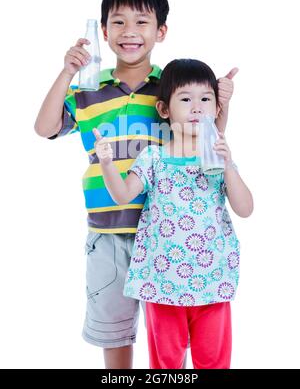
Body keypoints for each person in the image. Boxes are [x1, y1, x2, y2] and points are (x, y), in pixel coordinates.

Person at [34, 0, 237, 369]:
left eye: (142, 22)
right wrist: (66, 74)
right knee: (115, 332)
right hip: (109, 230)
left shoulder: (174, 89)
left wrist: (223, 107)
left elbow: (206, 147)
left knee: (172, 337)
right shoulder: (87, 92)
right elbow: (44, 128)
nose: (130, 32)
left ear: (161, 31)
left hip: (170, 235)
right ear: (105, 31)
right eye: (119, 22)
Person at [93, 58, 253, 369]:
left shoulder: (217, 157)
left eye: (206, 99)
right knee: (165, 364)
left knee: (214, 362)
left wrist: (229, 164)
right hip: (162, 284)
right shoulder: (153, 156)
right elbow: (123, 194)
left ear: (217, 109)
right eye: (185, 99)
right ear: (165, 110)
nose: (197, 108)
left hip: (212, 283)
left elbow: (245, 208)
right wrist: (108, 165)